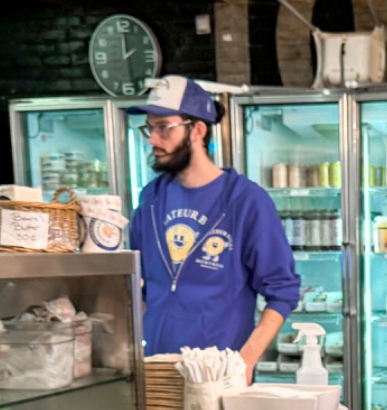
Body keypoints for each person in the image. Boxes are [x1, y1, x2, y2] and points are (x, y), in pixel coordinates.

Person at [128, 76, 300, 380]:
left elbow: (282, 293)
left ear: (197, 130)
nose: (153, 139)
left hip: (218, 375)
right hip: (156, 369)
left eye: (164, 127)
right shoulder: (151, 198)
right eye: (149, 128)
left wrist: (245, 363)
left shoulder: (245, 200)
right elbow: (143, 289)